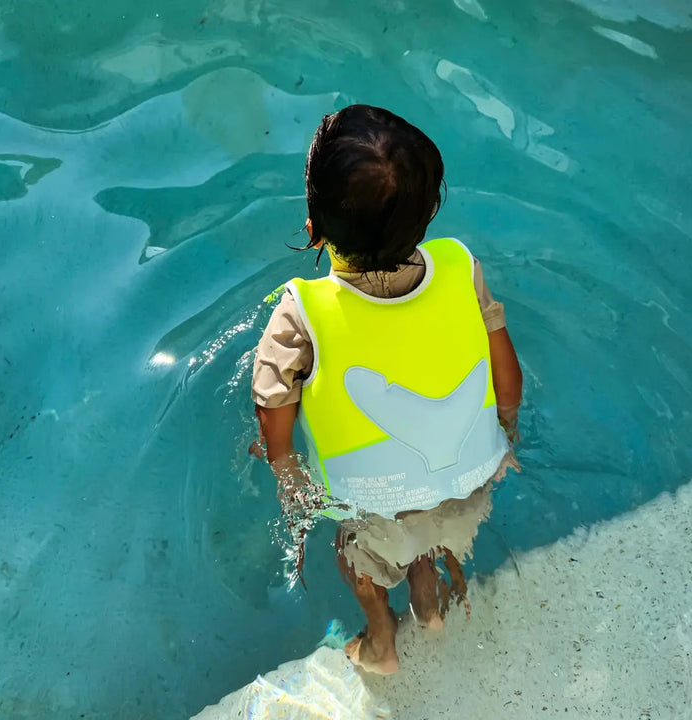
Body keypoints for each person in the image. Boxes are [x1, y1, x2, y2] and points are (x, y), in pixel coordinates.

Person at [251, 104, 522, 675]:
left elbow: (274, 421)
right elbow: (505, 374)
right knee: (433, 518)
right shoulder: (461, 267)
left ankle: (381, 639)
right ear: (426, 220)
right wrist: (507, 430)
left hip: (375, 508)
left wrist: (287, 477)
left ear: (313, 228)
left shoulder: (300, 317)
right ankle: (430, 602)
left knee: (360, 558)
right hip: (469, 480)